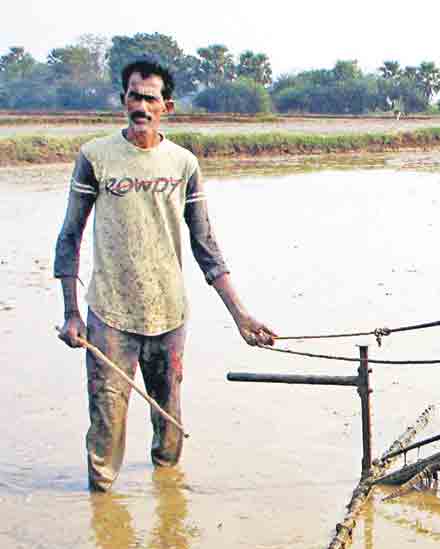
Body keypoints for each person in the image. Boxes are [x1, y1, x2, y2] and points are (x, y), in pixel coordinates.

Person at [54, 60, 276, 492]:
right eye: (133, 96)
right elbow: (69, 238)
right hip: (109, 314)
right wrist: (71, 313)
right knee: (106, 420)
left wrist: (241, 317)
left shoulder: (183, 163)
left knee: (170, 425)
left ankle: (169, 512)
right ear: (123, 100)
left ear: (166, 106)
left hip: (168, 314)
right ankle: (103, 512)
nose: (140, 105)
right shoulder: (94, 158)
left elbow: (206, 247)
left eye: (150, 98)